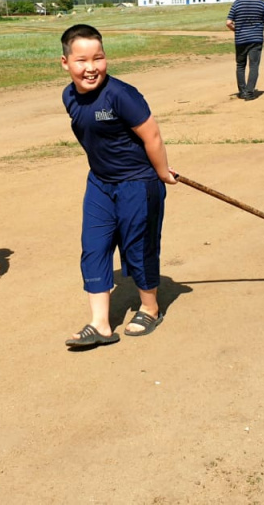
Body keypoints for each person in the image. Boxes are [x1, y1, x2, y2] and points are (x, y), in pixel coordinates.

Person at [60, 24, 177, 348]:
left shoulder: (121, 95)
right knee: (94, 247)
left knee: (138, 246)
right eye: (82, 60)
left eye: (98, 58)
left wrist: (162, 172)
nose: (91, 67)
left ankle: (150, 307)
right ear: (65, 63)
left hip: (137, 183)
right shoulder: (69, 96)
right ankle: (100, 325)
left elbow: (151, 135)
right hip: (99, 183)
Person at [225, 0, 264, 100]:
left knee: (240, 65)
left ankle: (242, 91)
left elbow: (229, 23)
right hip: (255, 39)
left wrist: (238, 30)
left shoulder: (237, 3)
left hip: (240, 39)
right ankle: (249, 92)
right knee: (254, 66)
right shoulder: (262, 4)